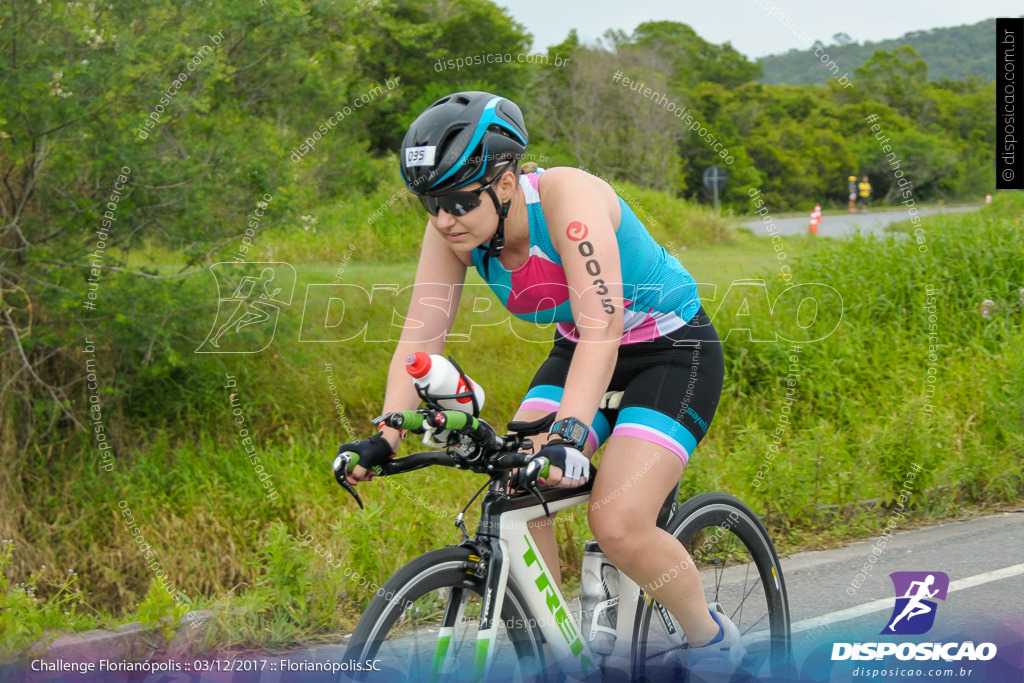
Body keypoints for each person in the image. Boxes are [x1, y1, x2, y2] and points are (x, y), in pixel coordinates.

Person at [337, 91, 738, 671]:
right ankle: (562, 654)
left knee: (618, 522)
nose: (443, 217)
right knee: (514, 485)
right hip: (579, 350)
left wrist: (569, 436)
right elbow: (421, 338)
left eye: (456, 199)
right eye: (430, 202)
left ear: (504, 182)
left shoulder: (567, 199)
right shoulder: (453, 232)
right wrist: (386, 433)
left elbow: (604, 325)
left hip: (670, 353)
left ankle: (713, 641)